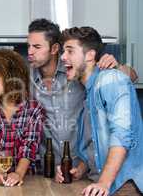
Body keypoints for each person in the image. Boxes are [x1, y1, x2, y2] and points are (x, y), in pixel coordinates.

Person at [27, 18, 138, 173]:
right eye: (29, 46)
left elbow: (131, 77)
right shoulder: (27, 77)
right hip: (48, 168)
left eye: (37, 47)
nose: (30, 52)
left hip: (84, 167)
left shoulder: (76, 69)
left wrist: (116, 66)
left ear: (54, 49)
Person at [58, 26, 143, 196]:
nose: (63, 57)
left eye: (69, 51)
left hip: (123, 185)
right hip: (103, 183)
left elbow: (121, 136)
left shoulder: (110, 79)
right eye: (63, 51)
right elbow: (94, 146)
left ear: (90, 55)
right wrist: (80, 170)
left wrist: (104, 183)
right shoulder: (89, 94)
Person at [0, 49, 45, 187]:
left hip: (28, 180)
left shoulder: (33, 108)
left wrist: (18, 174)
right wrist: (0, 174)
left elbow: (29, 145)